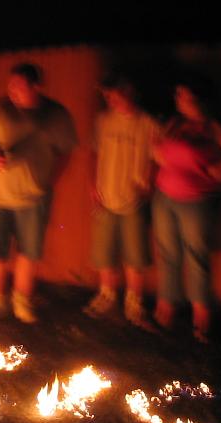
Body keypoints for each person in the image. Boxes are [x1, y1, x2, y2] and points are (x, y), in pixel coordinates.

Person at [0, 63, 77, 323]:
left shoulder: (56, 115)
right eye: (10, 85)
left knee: (29, 251)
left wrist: (49, 181)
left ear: (36, 86)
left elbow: (66, 152)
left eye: (18, 85)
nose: (12, 90)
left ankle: (22, 301)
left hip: (34, 197)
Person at [152, 77, 221, 342]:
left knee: (196, 256)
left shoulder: (212, 127)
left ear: (198, 98)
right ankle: (165, 312)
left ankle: (201, 319)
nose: (178, 100)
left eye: (183, 95)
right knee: (168, 254)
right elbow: (159, 150)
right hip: (165, 196)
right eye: (177, 95)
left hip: (196, 200)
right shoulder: (174, 123)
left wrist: (218, 171)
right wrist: (158, 153)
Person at [83, 73, 160, 329]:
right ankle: (107, 295)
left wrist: (148, 184)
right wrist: (92, 184)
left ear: (129, 92)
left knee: (135, 255)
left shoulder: (148, 123)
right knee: (104, 251)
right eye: (107, 97)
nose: (110, 101)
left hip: (133, 198)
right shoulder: (103, 121)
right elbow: (94, 152)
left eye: (114, 96)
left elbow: (157, 159)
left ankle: (133, 301)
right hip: (105, 196)